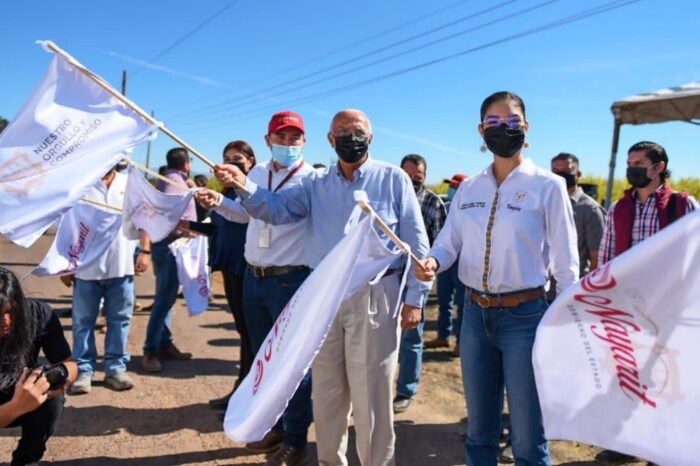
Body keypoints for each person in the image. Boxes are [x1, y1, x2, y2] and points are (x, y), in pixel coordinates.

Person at [209, 108, 430, 466]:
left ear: (370, 138)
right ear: (330, 140)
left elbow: (417, 245)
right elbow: (276, 209)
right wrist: (243, 184)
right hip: (324, 298)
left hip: (375, 298)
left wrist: (416, 299)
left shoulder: (393, 179)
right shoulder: (316, 183)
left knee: (371, 396)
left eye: (358, 130)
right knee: (327, 395)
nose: (350, 136)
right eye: (342, 130)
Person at [416, 91, 578, 466]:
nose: (503, 130)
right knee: (480, 433)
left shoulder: (548, 186)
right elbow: (447, 244)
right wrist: (431, 262)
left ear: (526, 128)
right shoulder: (468, 188)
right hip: (474, 316)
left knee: (527, 437)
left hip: (526, 318)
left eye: (512, 123)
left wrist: (567, 318)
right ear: (480, 130)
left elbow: (567, 263)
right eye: (494, 123)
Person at [198, 111, 316, 465]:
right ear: (268, 140)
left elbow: (282, 211)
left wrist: (243, 185)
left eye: (295, 137)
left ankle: (296, 438)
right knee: (263, 359)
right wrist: (220, 202)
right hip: (255, 278)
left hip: (288, 280)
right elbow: (250, 214)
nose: (288, 143)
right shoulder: (261, 171)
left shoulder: (310, 179)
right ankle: (272, 425)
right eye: (281, 137)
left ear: (304, 142)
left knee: (292, 363)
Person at [594, 141, 697, 466]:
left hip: (670, 310)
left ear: (659, 167)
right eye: (630, 162)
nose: (632, 168)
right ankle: (626, 442)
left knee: (668, 382)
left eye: (639, 162)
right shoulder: (618, 209)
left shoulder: (683, 206)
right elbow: (607, 260)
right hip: (629, 310)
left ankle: (663, 448)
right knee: (627, 377)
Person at [61, 164, 152, 394]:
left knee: (120, 319)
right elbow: (65, 224)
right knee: (83, 322)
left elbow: (144, 218)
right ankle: (83, 370)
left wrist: (145, 250)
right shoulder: (80, 181)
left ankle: (115, 368)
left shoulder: (129, 183)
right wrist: (64, 264)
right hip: (86, 268)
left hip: (121, 265)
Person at [184, 142, 257, 420]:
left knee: (251, 335)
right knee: (244, 333)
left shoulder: (250, 193)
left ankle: (246, 395)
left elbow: (245, 219)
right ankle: (240, 390)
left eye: (237, 159)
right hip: (230, 268)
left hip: (247, 268)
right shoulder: (225, 191)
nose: (231, 163)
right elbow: (216, 228)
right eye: (226, 158)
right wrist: (186, 225)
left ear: (250, 162)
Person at [0, 267, 78, 466]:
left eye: (11, 311)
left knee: (50, 392)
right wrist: (16, 406)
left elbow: (69, 363)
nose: (6, 321)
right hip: (13, 403)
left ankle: (26, 459)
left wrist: (63, 379)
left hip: (17, 392)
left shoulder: (38, 314)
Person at [394, 154, 446, 414]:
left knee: (412, 337)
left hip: (415, 280)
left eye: (419, 177)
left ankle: (406, 390)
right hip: (389, 279)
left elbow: (440, 245)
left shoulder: (434, 203)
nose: (413, 181)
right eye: (409, 176)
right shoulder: (390, 199)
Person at [142, 148, 195, 372]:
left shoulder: (174, 179)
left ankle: (164, 343)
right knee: (164, 299)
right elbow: (169, 214)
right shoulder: (175, 182)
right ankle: (150, 350)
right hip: (171, 246)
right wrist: (188, 229)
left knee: (168, 297)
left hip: (171, 245)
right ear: (185, 163)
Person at [425, 173, 467, 356]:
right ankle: (443, 335)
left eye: (456, 187)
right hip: (445, 262)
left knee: (462, 304)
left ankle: (461, 341)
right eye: (451, 186)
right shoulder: (446, 206)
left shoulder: (471, 210)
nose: (452, 190)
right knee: (444, 300)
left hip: (463, 262)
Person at [551, 152, 606, 279]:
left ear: (578, 175)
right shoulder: (544, 203)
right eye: (555, 171)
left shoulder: (590, 209)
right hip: (541, 289)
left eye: (566, 170)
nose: (560, 175)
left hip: (571, 288)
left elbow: (597, 256)